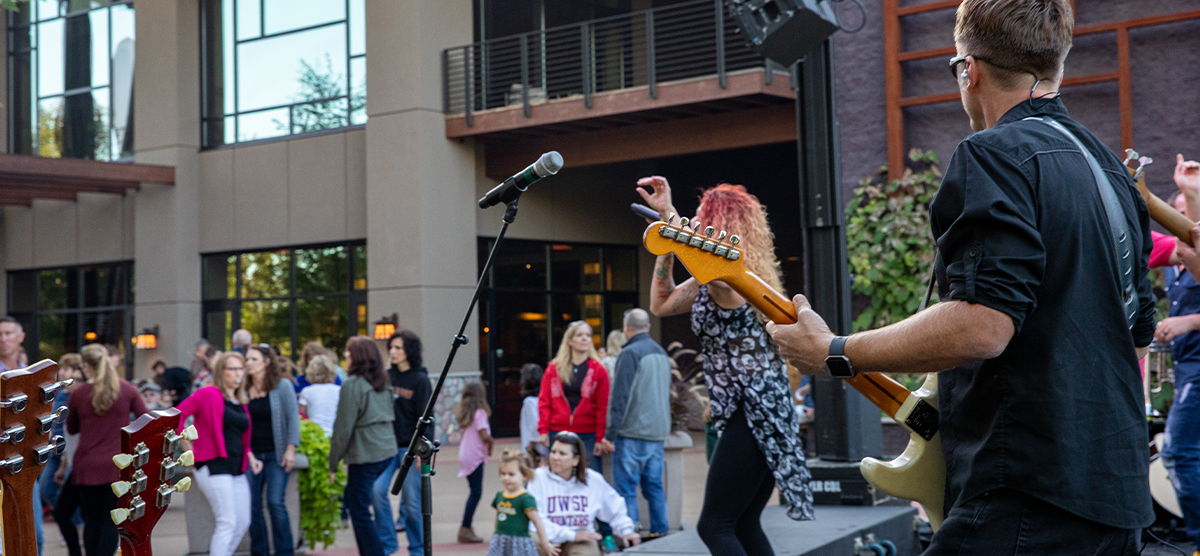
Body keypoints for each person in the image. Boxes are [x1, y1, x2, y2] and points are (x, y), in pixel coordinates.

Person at [768, 1, 1156, 553]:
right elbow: (1135, 335)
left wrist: (835, 351)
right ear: (1057, 67)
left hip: (1027, 494)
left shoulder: (992, 154)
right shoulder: (1110, 170)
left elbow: (984, 326)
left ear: (968, 69)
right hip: (1115, 500)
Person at [638, 177, 813, 555]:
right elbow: (661, 303)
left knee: (714, 526)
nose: (697, 224)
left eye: (702, 219)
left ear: (720, 227)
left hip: (754, 413)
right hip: (763, 411)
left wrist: (669, 219)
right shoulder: (716, 282)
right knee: (744, 524)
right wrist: (665, 243)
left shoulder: (732, 281)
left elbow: (710, 272)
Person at [57, 343, 148, 556]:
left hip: (87, 465)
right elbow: (145, 418)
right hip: (119, 465)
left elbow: (71, 428)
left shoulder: (79, 394)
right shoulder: (126, 389)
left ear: (87, 366)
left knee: (91, 519)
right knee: (109, 521)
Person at [1154, 154, 1200, 554]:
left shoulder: (1194, 254)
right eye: (1178, 214)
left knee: (1178, 453)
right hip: (1185, 367)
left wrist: (1189, 323)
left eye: (1189, 213)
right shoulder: (1172, 259)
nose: (1184, 222)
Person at [176, 351, 262, 556]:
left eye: (241, 369)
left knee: (242, 522)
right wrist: (188, 450)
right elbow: (176, 417)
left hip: (236, 466)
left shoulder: (239, 399)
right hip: (213, 463)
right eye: (233, 368)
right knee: (227, 522)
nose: (238, 373)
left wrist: (250, 455)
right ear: (221, 371)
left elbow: (239, 435)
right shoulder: (208, 394)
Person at [329, 336, 398, 556]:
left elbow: (342, 429)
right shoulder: (383, 381)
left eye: (349, 352)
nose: (346, 356)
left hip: (366, 453)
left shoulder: (352, 384)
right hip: (386, 450)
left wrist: (333, 463)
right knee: (359, 500)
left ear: (357, 356)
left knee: (358, 509)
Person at [606, 308, 671, 538]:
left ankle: (630, 536)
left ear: (626, 328)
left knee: (626, 490)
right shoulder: (661, 352)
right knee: (654, 487)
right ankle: (661, 532)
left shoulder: (630, 353)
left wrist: (610, 434)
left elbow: (620, 397)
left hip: (631, 433)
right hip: (657, 432)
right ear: (648, 327)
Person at [526, 433, 640, 555]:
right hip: (547, 537)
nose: (555, 457)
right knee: (529, 542)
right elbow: (535, 519)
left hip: (580, 540)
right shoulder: (538, 477)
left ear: (576, 460)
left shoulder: (592, 480)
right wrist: (571, 535)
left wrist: (627, 531)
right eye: (553, 452)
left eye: (562, 453)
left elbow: (614, 507)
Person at [375, 330, 430, 555]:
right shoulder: (387, 377)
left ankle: (417, 548)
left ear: (410, 351)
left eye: (398, 348)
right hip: (386, 447)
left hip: (410, 449)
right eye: (391, 348)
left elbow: (426, 418)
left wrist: (420, 452)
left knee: (412, 503)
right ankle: (388, 545)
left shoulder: (420, 379)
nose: (393, 352)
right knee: (376, 492)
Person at [244, 344, 300, 556]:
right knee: (252, 506)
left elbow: (292, 418)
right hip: (251, 456)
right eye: (247, 359)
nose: (248, 363)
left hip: (276, 455)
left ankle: (285, 551)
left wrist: (290, 449)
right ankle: (260, 552)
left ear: (267, 362)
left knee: (275, 502)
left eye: (253, 359)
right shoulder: (243, 389)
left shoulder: (282, 386)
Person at [536, 321, 611, 473]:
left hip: (588, 434)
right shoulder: (554, 368)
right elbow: (544, 401)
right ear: (570, 341)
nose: (585, 339)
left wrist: (599, 438)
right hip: (557, 431)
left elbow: (602, 407)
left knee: (590, 478)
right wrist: (543, 430)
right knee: (558, 477)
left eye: (588, 335)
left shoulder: (599, 370)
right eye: (579, 335)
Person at [487, 450, 557, 556]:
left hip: (519, 542)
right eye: (503, 473)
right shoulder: (500, 496)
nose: (506, 478)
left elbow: (537, 522)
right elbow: (498, 517)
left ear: (524, 475)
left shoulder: (525, 498)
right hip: (501, 541)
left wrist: (545, 543)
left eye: (511, 474)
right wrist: (496, 535)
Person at [456, 381, 494, 544]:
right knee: (476, 493)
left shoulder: (468, 413)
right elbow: (484, 435)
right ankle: (465, 528)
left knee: (474, 491)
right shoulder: (480, 413)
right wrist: (491, 443)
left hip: (465, 454)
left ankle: (466, 528)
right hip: (474, 456)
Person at [298, 354, 341, 436]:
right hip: (335, 434)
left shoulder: (306, 391)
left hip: (315, 434)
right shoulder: (339, 390)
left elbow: (301, 416)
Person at [518, 363, 546, 463]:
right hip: (544, 446)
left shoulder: (529, 402)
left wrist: (531, 448)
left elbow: (535, 426)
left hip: (536, 449)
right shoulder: (543, 399)